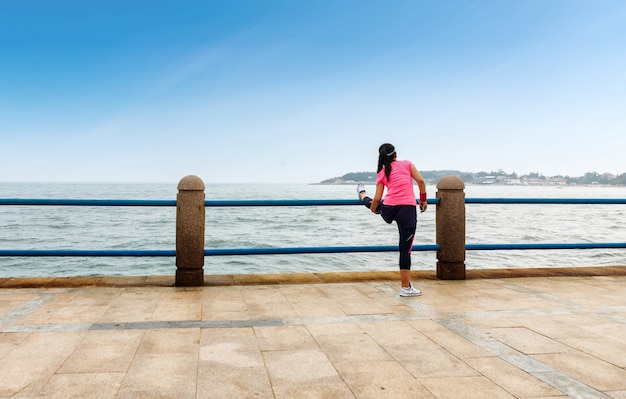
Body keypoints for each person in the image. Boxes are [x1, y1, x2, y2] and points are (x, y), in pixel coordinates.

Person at [357, 143, 428, 297]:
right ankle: (405, 287)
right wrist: (423, 200)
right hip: (407, 210)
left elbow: (377, 198)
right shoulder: (407, 164)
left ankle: (362, 194)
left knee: (371, 202)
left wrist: (373, 209)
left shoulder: (382, 172)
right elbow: (421, 182)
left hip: (389, 208)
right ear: (395, 154)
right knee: (405, 249)